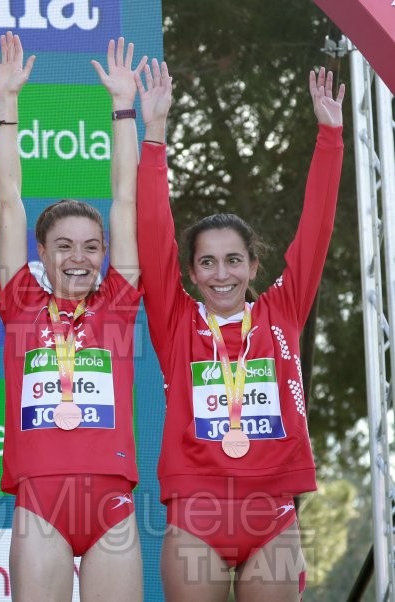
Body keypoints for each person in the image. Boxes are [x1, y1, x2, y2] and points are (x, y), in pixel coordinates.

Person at [135, 63, 345, 600]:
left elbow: (316, 229)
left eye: (233, 260)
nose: (221, 274)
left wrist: (330, 138)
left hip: (272, 512)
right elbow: (154, 232)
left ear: (254, 266)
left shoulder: (282, 313)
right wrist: (154, 136)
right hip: (194, 515)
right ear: (191, 272)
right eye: (207, 263)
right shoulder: (176, 321)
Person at [0, 32, 144, 601]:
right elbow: (8, 199)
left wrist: (123, 108)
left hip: (111, 502)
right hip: (41, 502)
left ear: (105, 253)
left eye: (90, 246)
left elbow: (126, 198)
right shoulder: (21, 300)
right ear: (42, 253)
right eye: (63, 246)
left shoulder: (119, 301)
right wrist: (7, 104)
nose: (78, 259)